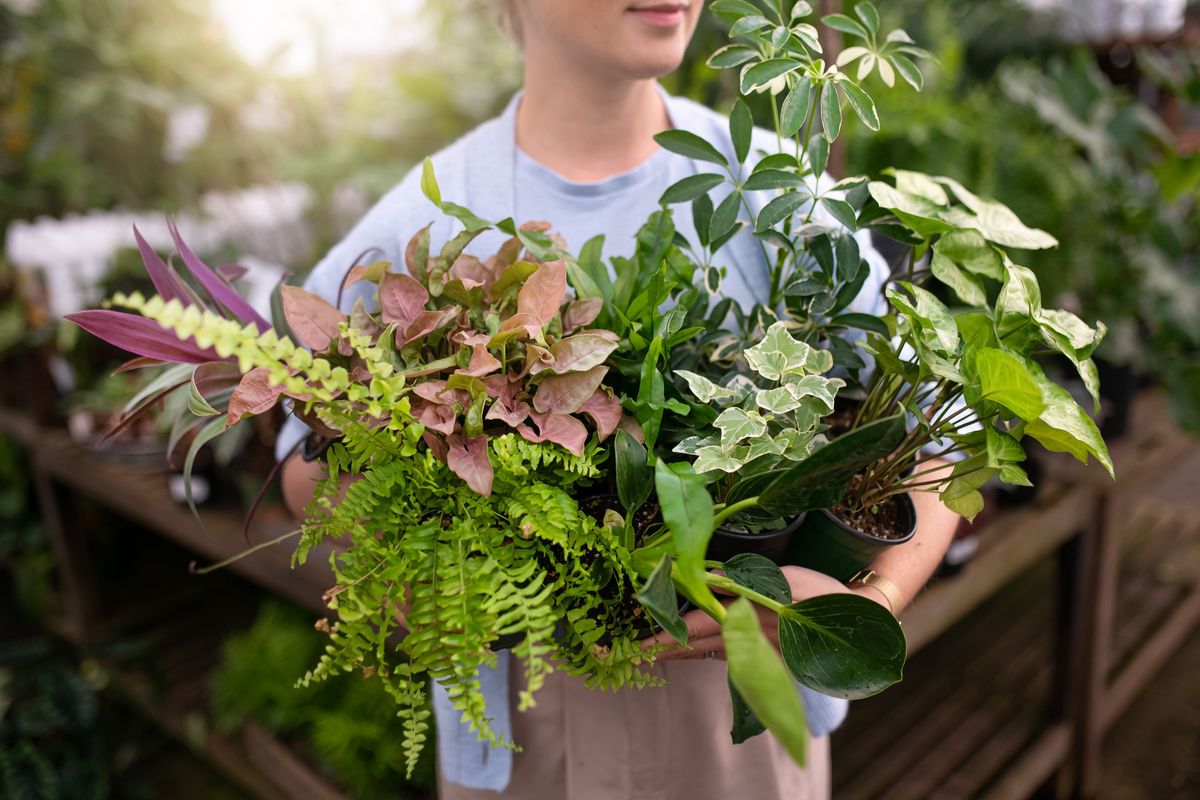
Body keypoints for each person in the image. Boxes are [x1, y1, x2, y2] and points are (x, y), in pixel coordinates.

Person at [278, 2, 961, 797]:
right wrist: (430, 580)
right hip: (526, 728)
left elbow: (937, 451)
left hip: (746, 723)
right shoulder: (418, 221)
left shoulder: (779, 192)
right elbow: (302, 468)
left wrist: (856, 608)